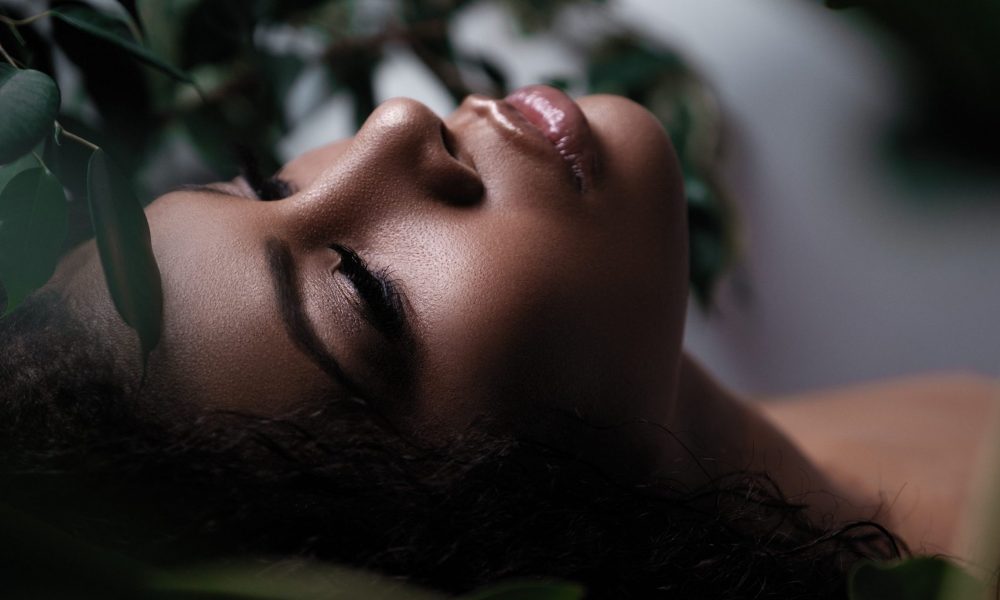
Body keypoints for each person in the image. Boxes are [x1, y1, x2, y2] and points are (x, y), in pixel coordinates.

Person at [0, 86, 994, 598]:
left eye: (269, 187)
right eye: (367, 291)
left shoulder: (787, 460)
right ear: (494, 539)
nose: (393, 124)